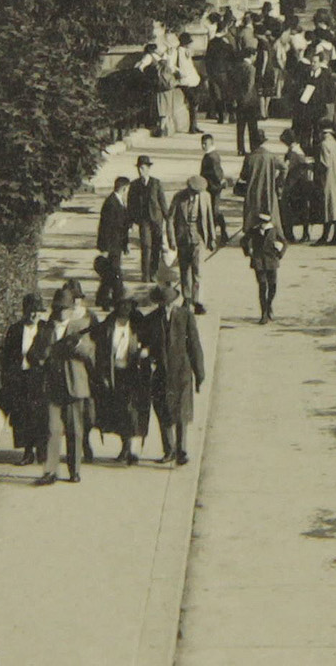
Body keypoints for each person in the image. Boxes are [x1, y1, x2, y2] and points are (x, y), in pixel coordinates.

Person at [137, 282, 206, 467]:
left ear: (173, 302)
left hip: (181, 371)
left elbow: (194, 346)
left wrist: (199, 374)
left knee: (181, 412)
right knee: (163, 411)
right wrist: (145, 352)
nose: (166, 306)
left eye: (168, 303)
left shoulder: (185, 317)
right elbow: (144, 342)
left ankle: (182, 451)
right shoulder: (151, 319)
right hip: (160, 372)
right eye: (162, 303)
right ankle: (169, 450)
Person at [36, 282, 95, 485]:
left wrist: (77, 344)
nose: (61, 312)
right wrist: (45, 350)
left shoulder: (80, 327)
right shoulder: (45, 329)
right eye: (58, 308)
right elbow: (35, 353)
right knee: (52, 429)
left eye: (65, 308)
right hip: (52, 385)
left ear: (72, 310)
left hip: (74, 385)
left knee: (75, 430)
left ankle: (74, 470)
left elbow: (89, 353)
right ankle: (50, 471)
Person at [92, 292, 153, 464]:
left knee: (131, 410)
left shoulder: (138, 326)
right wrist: (103, 374)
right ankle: (126, 447)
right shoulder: (108, 326)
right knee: (119, 411)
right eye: (121, 305)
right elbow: (101, 351)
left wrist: (146, 352)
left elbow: (151, 343)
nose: (125, 309)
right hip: (115, 373)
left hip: (134, 374)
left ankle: (128, 449)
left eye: (128, 305)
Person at [0, 293, 47, 466]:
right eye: (31, 311)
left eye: (37, 312)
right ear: (25, 311)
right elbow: (6, 355)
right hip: (20, 378)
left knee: (40, 415)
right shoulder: (15, 330)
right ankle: (28, 452)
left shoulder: (46, 328)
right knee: (23, 416)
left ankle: (42, 451)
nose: (34, 315)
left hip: (40, 378)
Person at [168, 176, 211, 312]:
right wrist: (172, 240)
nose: (195, 195)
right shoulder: (179, 197)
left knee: (198, 271)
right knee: (184, 270)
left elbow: (209, 218)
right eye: (193, 192)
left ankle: (197, 301)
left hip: (198, 239)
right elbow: (170, 219)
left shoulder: (205, 197)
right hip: (182, 239)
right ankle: (187, 299)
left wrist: (212, 238)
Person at [127, 156, 168, 282]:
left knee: (156, 247)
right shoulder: (134, 185)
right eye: (139, 168)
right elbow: (131, 204)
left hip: (157, 220)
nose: (140, 171)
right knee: (146, 246)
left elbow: (162, 202)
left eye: (143, 168)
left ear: (148, 168)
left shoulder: (156, 183)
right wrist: (131, 222)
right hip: (143, 221)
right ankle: (145, 274)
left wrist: (168, 219)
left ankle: (154, 273)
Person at [240, 213, 284, 324]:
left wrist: (279, 253)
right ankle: (263, 313)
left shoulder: (274, 230)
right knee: (263, 286)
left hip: (272, 262)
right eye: (260, 222)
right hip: (259, 262)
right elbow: (243, 240)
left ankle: (269, 305)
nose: (262, 225)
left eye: (265, 223)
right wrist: (248, 251)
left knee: (273, 286)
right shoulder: (254, 230)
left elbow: (284, 242)